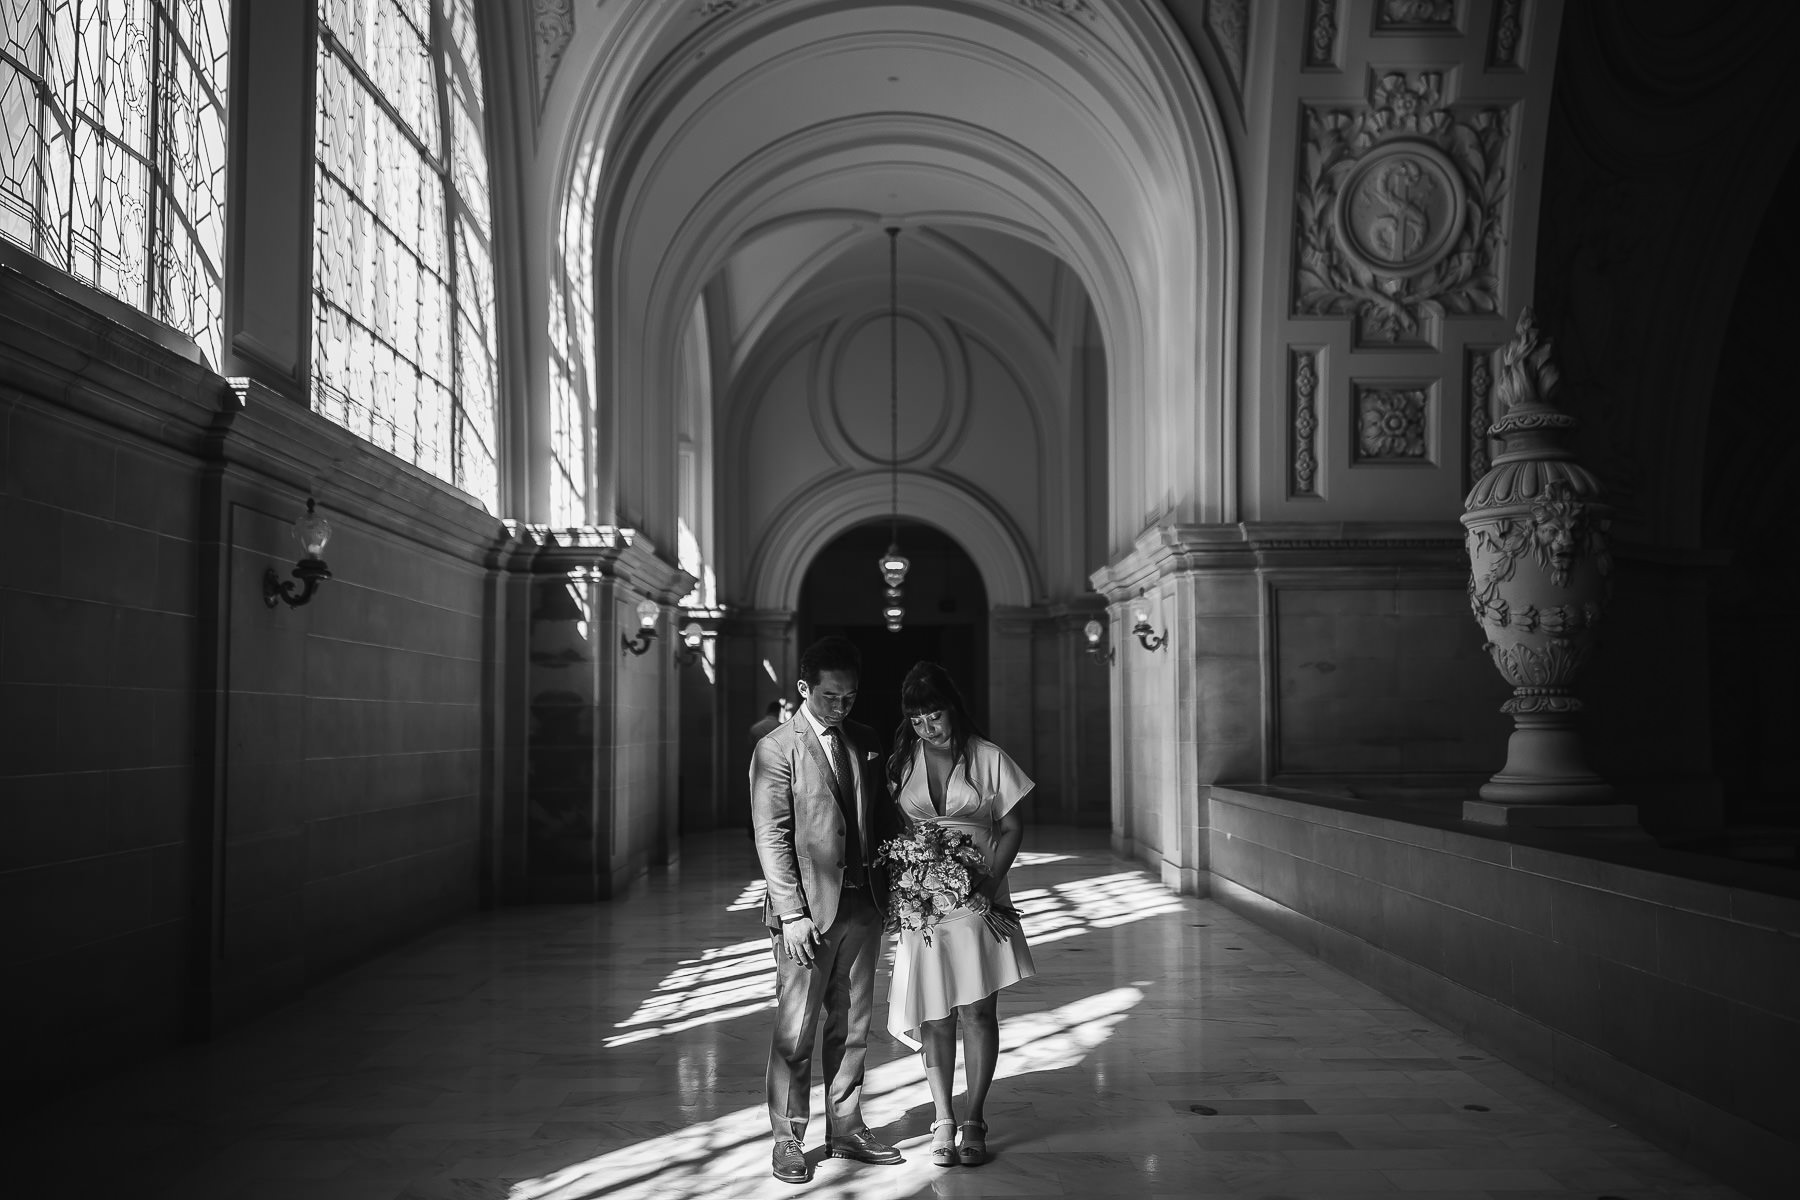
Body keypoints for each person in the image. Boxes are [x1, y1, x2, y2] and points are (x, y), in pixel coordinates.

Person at [750, 636, 903, 1184]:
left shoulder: (865, 739)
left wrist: (906, 882)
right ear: (804, 689)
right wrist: (790, 914)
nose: (841, 707)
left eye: (850, 697)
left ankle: (846, 1126)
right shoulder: (775, 748)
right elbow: (773, 836)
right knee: (796, 1029)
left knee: (854, 1025)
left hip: (863, 906)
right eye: (831, 696)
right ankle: (788, 1138)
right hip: (806, 914)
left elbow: (883, 819)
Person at [884, 660, 1036, 1169]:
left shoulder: (988, 757)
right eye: (918, 719)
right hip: (923, 899)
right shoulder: (903, 759)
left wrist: (989, 885)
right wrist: (908, 879)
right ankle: (942, 1119)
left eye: (935, 715)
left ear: (953, 709)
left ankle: (975, 1118)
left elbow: (1012, 827)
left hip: (979, 894)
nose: (928, 727)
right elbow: (900, 828)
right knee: (934, 1009)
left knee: (977, 1009)